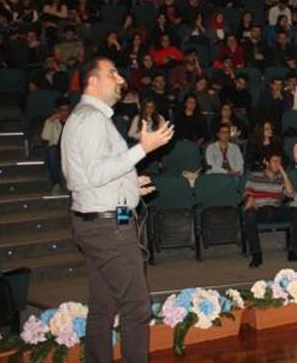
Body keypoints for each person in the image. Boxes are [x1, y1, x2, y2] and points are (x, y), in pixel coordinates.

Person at [62, 56, 174, 363]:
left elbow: (86, 177)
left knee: (103, 305)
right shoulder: (91, 119)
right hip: (108, 228)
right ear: (92, 82)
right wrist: (143, 148)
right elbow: (96, 173)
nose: (120, 78)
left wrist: (130, 186)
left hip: (98, 222)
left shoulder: (87, 118)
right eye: (111, 73)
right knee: (136, 306)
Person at [243, 153, 297, 267]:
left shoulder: (281, 178)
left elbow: (291, 193)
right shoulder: (254, 176)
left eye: (279, 162)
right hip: (261, 210)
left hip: (276, 209)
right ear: (266, 162)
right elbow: (247, 194)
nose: (277, 164)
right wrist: (250, 198)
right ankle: (256, 255)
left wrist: (284, 175)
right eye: (275, 161)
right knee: (249, 214)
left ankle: (294, 252)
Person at [40, 96, 72, 194]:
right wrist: (50, 121)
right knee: (51, 150)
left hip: (71, 149)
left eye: (67, 110)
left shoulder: (74, 120)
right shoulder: (52, 121)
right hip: (57, 149)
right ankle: (56, 183)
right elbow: (45, 137)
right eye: (62, 110)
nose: (65, 113)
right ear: (57, 110)